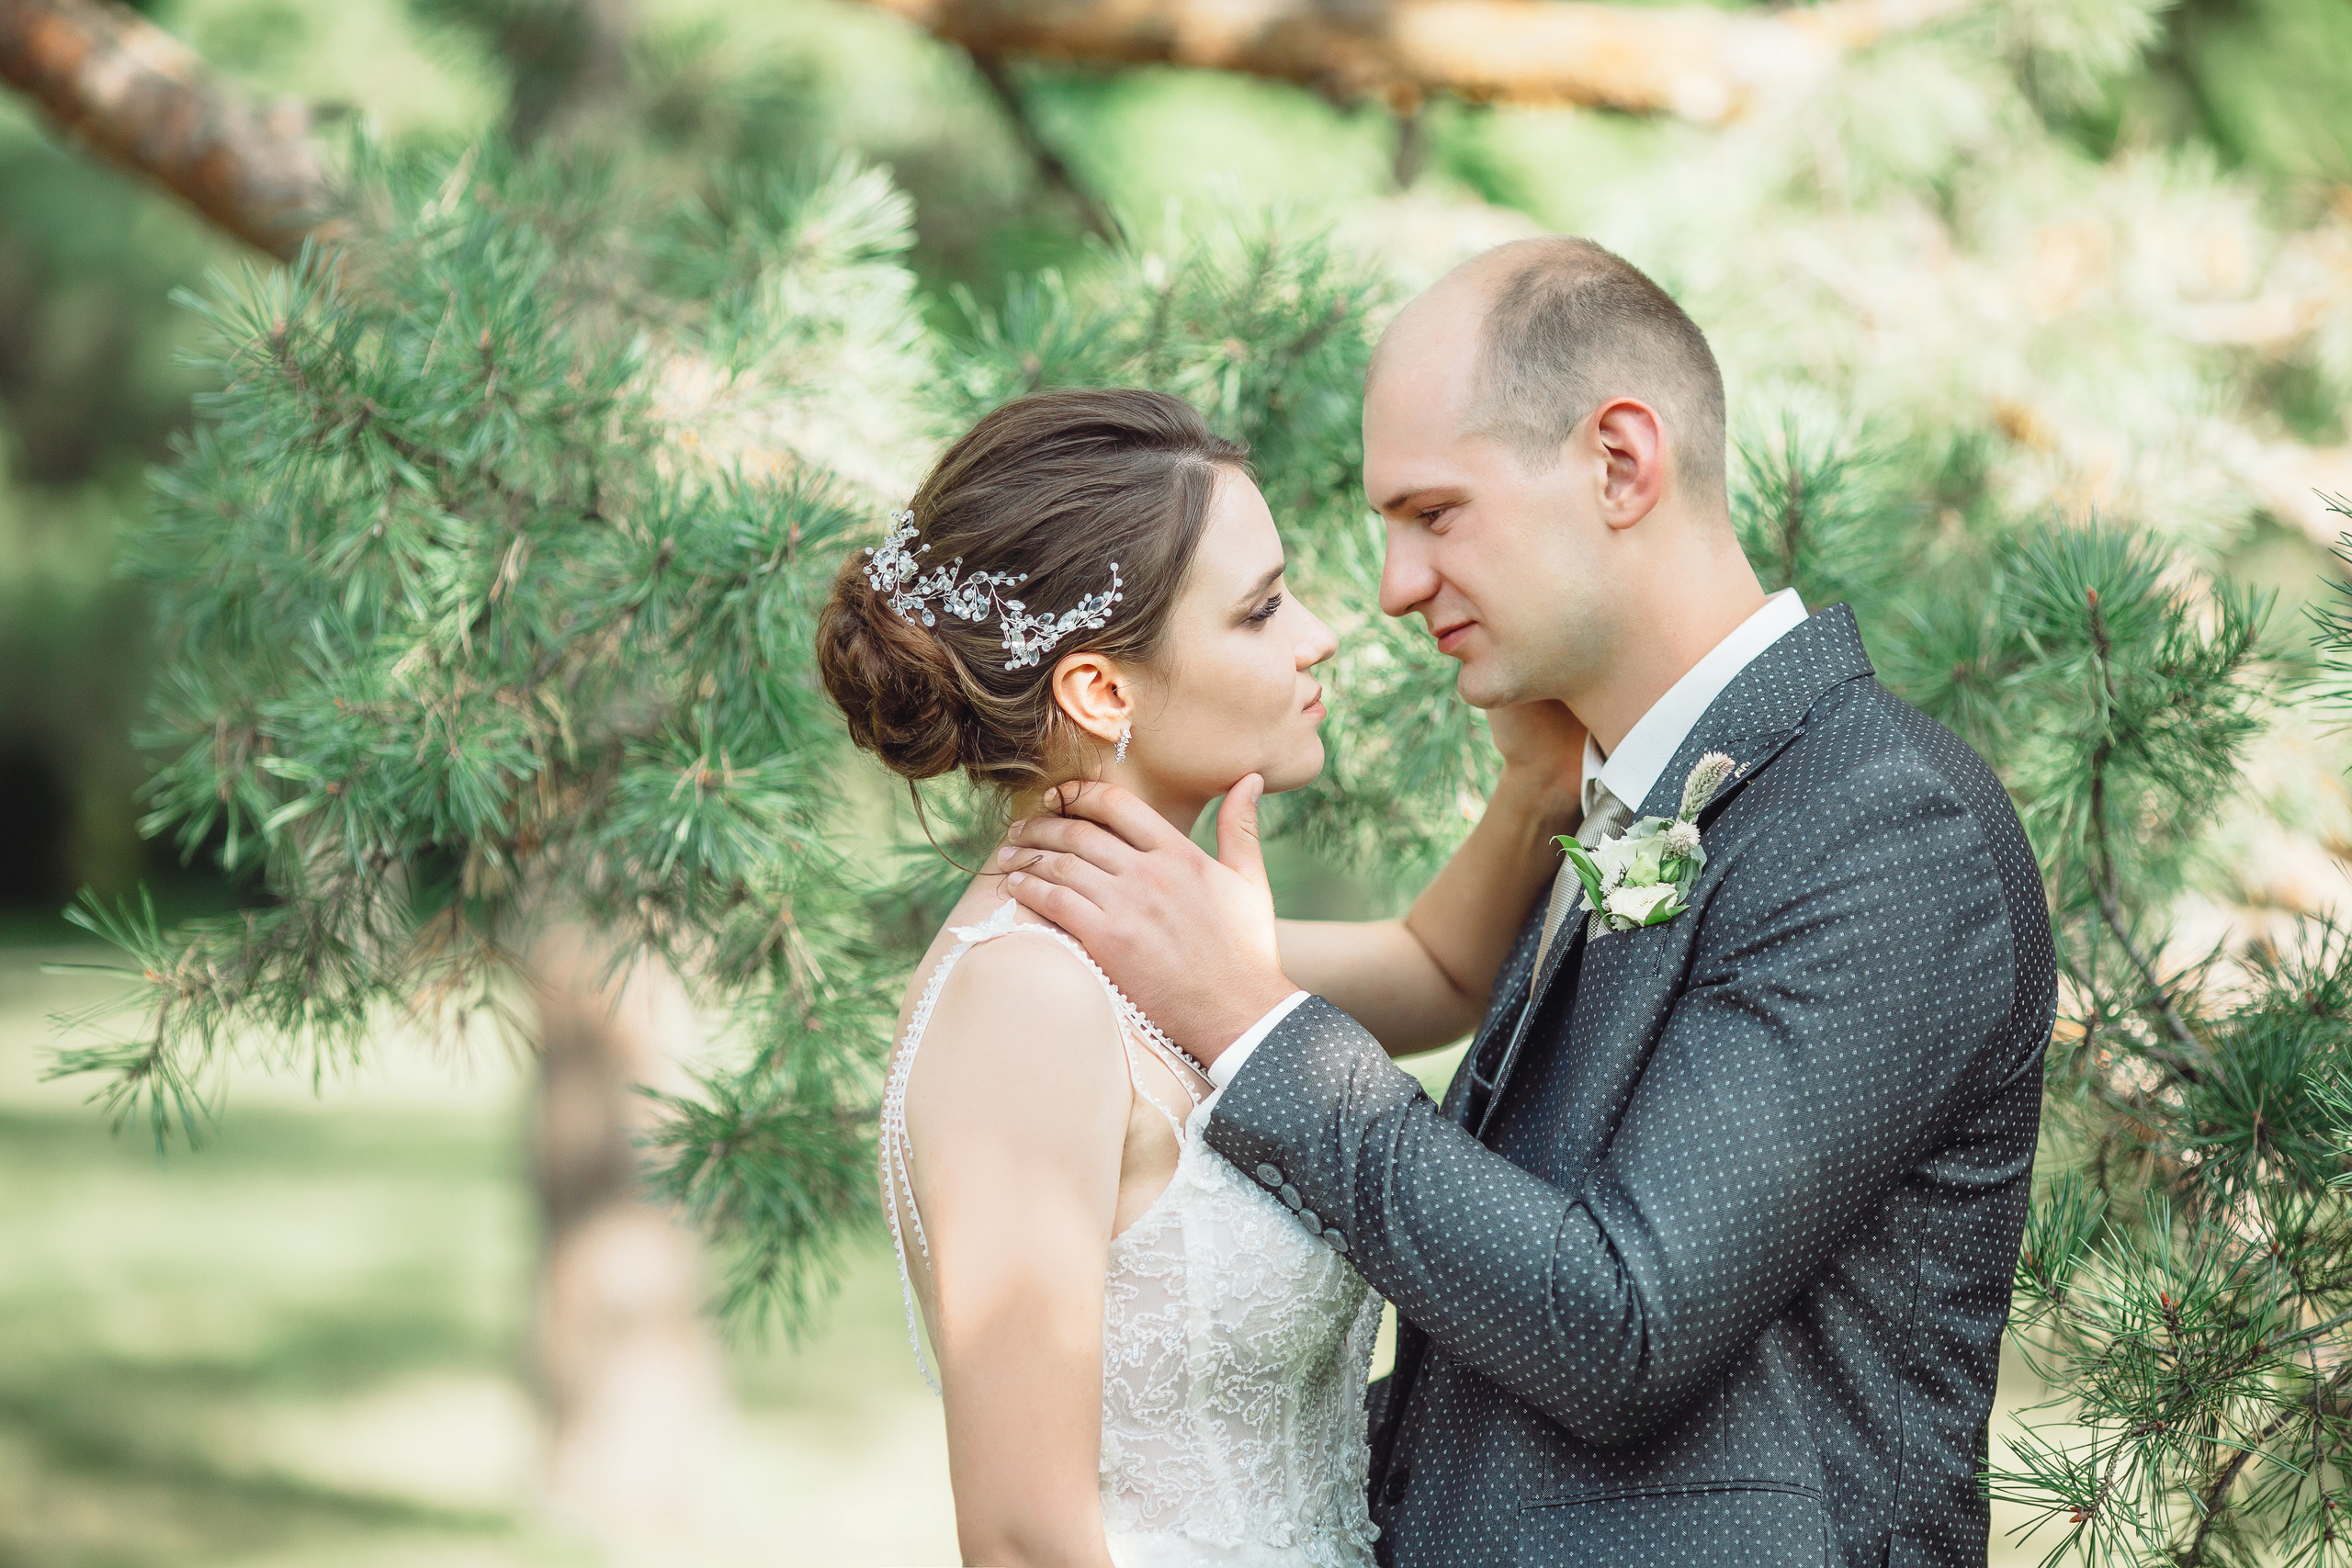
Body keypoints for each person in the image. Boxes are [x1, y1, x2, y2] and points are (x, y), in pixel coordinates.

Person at [1001, 239, 2057, 1568]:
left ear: (1621, 461)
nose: (1390, 587)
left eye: (1435, 514)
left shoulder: (1884, 827)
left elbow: (1622, 1319)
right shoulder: (1615, 795)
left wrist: (1255, 1026)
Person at [816, 386, 1585, 1568]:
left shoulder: (1157, 945)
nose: (1319, 632)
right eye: (1261, 610)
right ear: (1100, 691)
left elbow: (1434, 971)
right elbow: (1023, 1537)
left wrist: (1536, 785)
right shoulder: (1029, 998)